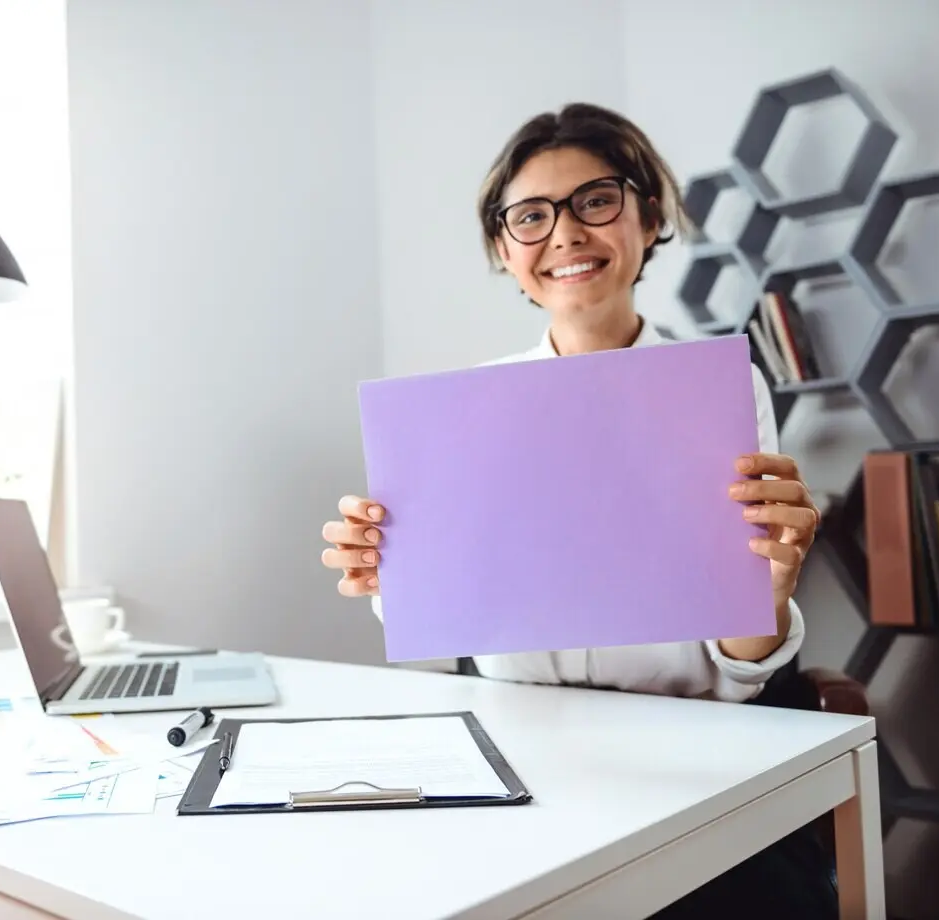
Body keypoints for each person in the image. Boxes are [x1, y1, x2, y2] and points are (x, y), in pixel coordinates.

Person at [319, 103, 836, 920]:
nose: (564, 233)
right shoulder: (464, 411)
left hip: (693, 759)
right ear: (504, 249)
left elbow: (740, 663)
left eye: (596, 200)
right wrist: (389, 569)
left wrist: (767, 591)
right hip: (526, 758)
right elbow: (456, 616)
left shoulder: (722, 390)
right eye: (530, 216)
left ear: (648, 218)